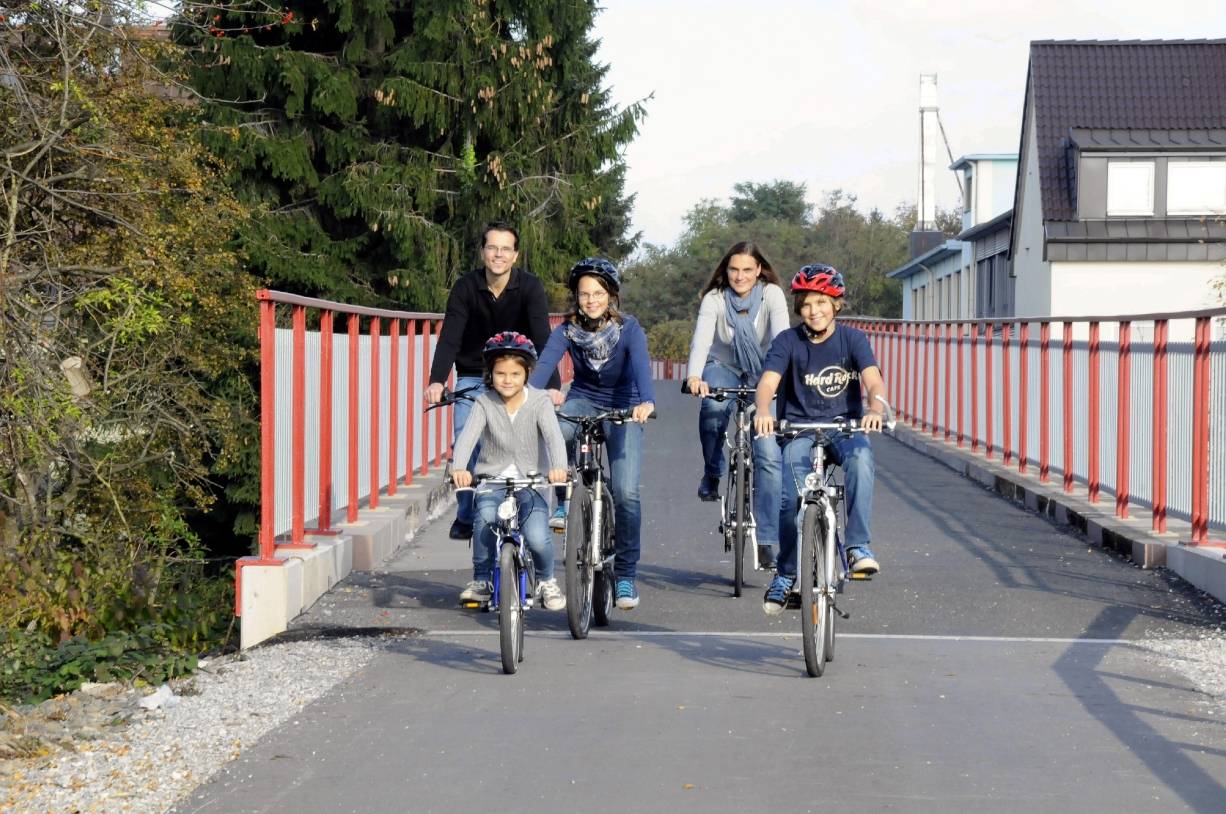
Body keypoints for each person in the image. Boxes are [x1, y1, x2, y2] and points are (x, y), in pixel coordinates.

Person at [752, 264, 889, 616]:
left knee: (861, 459)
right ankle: (785, 574)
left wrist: (875, 408)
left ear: (837, 305)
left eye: (822, 302)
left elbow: (873, 380)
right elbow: (768, 382)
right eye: (807, 303)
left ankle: (859, 547)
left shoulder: (853, 340)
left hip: (844, 428)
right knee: (789, 501)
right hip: (798, 429)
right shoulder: (787, 341)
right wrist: (764, 410)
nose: (814, 311)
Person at [529, 258, 655, 610]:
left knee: (626, 491)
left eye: (598, 293)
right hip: (584, 399)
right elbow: (543, 367)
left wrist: (646, 401)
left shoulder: (629, 328)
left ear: (611, 295)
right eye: (584, 294)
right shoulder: (567, 330)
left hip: (624, 405)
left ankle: (626, 574)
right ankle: (566, 497)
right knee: (558, 426)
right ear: (576, 297)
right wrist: (525, 399)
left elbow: (642, 366)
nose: (591, 300)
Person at [426, 222, 557, 541]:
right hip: (474, 374)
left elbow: (543, 336)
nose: (498, 254)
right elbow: (450, 337)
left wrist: (552, 385)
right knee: (464, 438)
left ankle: (527, 509)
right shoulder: (465, 287)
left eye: (505, 249)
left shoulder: (529, 287)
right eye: (492, 248)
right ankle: (467, 508)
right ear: (483, 251)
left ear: (515, 255)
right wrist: (436, 380)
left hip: (517, 378)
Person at [684, 241, 790, 569]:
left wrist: (782, 381)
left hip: (765, 370)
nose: (739, 276)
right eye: (733, 269)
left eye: (747, 269)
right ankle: (712, 471)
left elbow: (783, 338)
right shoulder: (715, 300)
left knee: (769, 454)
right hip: (723, 366)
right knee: (713, 409)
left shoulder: (771, 295)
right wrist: (694, 377)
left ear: (759, 270)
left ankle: (768, 541)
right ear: (725, 270)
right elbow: (702, 340)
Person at [450, 332, 569, 610]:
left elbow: (553, 438)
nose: (507, 380)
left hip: (531, 483)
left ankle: (547, 581)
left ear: (527, 372)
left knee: (538, 537)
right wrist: (459, 468)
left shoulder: (540, 401)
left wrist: (558, 469)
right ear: (490, 373)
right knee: (485, 522)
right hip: (493, 481)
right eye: (500, 373)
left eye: (515, 374)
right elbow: (467, 438)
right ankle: (481, 580)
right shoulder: (484, 402)